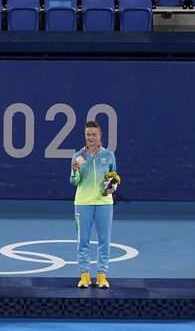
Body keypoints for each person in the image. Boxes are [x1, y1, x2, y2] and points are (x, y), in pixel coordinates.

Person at [70, 120, 118, 289]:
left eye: (94, 135)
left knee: (104, 240)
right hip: (83, 203)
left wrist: (113, 187)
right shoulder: (78, 156)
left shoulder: (109, 156)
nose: (90, 138)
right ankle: (84, 275)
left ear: (100, 136)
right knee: (82, 240)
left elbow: (114, 178)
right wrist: (75, 170)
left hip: (104, 203)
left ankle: (101, 275)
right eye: (88, 135)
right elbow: (73, 182)